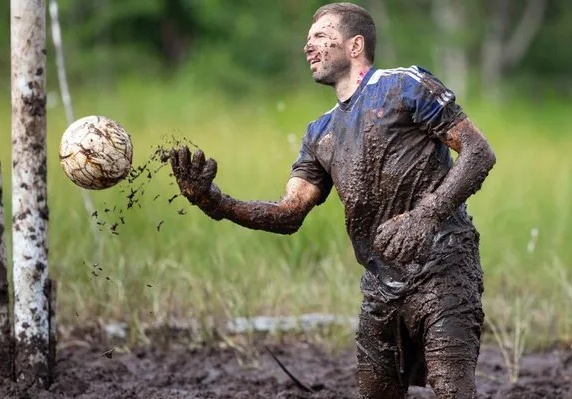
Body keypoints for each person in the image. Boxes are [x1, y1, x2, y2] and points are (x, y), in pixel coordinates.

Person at [168, 2, 496, 398]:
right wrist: (215, 202)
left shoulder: (405, 85)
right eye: (308, 41)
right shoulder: (319, 133)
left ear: (355, 45)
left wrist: (426, 216)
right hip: (381, 284)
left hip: (444, 265)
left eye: (321, 37)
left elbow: (479, 152)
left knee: (452, 390)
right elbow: (288, 214)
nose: (309, 47)